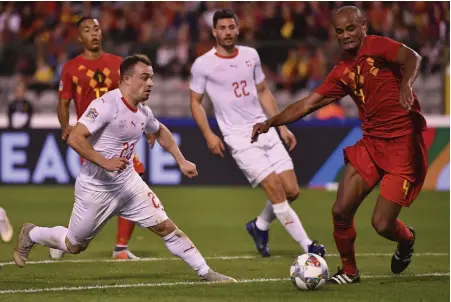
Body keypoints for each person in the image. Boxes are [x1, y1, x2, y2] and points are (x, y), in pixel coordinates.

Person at [13, 54, 236, 283]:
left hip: (128, 184)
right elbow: (75, 138)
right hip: (96, 187)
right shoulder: (106, 105)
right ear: (126, 80)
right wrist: (104, 161)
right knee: (74, 245)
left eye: (151, 78)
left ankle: (205, 272)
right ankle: (31, 233)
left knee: (165, 226)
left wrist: (181, 160)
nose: (150, 83)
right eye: (144, 77)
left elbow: (160, 131)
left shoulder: (143, 111)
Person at [252, 6, 427, 284]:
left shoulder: (377, 46)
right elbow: (309, 103)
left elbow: (412, 57)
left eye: (350, 29)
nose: (345, 35)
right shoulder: (343, 70)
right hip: (371, 144)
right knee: (340, 210)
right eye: (340, 31)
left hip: (403, 145)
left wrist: (406, 84)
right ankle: (349, 271)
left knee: (382, 224)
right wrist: (271, 122)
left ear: (363, 26)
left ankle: (406, 240)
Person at [190, 9, 326, 258]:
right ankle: (308, 246)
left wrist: (281, 126)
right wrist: (209, 134)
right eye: (222, 28)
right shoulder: (203, 64)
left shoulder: (250, 55)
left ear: (238, 29)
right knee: (275, 189)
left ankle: (259, 226)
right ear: (214, 32)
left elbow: (263, 91)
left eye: (232, 27)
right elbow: (195, 102)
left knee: (292, 191)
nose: (228, 32)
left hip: (264, 128)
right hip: (238, 137)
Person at [55, 16, 143, 260]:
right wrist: (66, 126)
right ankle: (64, 239)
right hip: (91, 139)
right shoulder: (71, 68)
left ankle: (120, 247)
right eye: (87, 30)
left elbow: (132, 98)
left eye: (96, 28)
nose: (93, 33)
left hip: (118, 135)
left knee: (132, 177)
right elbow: (63, 103)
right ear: (79, 37)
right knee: (97, 197)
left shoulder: (118, 64)